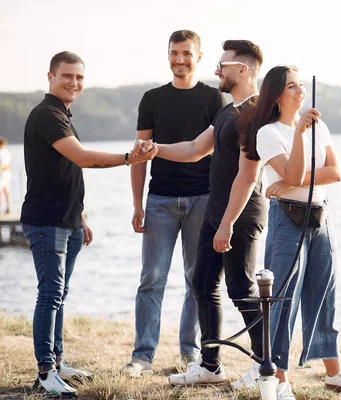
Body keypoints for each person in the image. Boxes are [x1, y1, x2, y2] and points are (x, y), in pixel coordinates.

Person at [20, 51, 157, 399]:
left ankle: (59, 362)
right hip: (45, 221)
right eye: (67, 76)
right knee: (50, 294)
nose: (74, 83)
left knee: (59, 295)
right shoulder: (47, 115)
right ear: (50, 77)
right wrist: (130, 157)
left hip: (67, 220)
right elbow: (82, 158)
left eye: (80, 77)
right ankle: (45, 372)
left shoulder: (63, 115)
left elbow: (62, 172)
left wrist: (80, 216)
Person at [136, 40, 267, 388]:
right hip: (216, 213)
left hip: (239, 215)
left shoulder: (254, 114)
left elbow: (248, 175)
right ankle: (210, 364)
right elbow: (196, 149)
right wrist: (156, 149)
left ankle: (264, 367)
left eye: (222, 65)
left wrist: (226, 224)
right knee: (203, 283)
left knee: (241, 288)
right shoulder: (227, 111)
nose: (216, 70)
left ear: (243, 70)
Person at [240, 65, 341, 400]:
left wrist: (290, 180)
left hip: (321, 219)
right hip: (288, 221)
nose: (300, 92)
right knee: (282, 300)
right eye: (292, 87)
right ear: (277, 95)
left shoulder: (319, 126)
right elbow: (295, 173)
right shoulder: (268, 133)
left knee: (324, 295)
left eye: (301, 86)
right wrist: (297, 137)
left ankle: (334, 372)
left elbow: (336, 172)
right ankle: (280, 379)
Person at [122, 30, 226, 377]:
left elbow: (218, 151)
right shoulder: (152, 99)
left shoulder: (215, 99)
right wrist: (137, 204)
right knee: (151, 278)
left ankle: (189, 352)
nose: (179, 59)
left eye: (186, 53)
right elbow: (140, 156)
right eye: (174, 53)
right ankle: (142, 356)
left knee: (198, 280)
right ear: (168, 55)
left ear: (198, 56)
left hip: (203, 200)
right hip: (160, 200)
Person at [0, 136, 11, 214]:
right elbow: (10, 165)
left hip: (3, 175)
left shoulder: (3, 152)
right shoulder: (6, 152)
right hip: (7, 174)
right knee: (6, 191)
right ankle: (8, 207)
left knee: (2, 192)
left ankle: (2, 208)